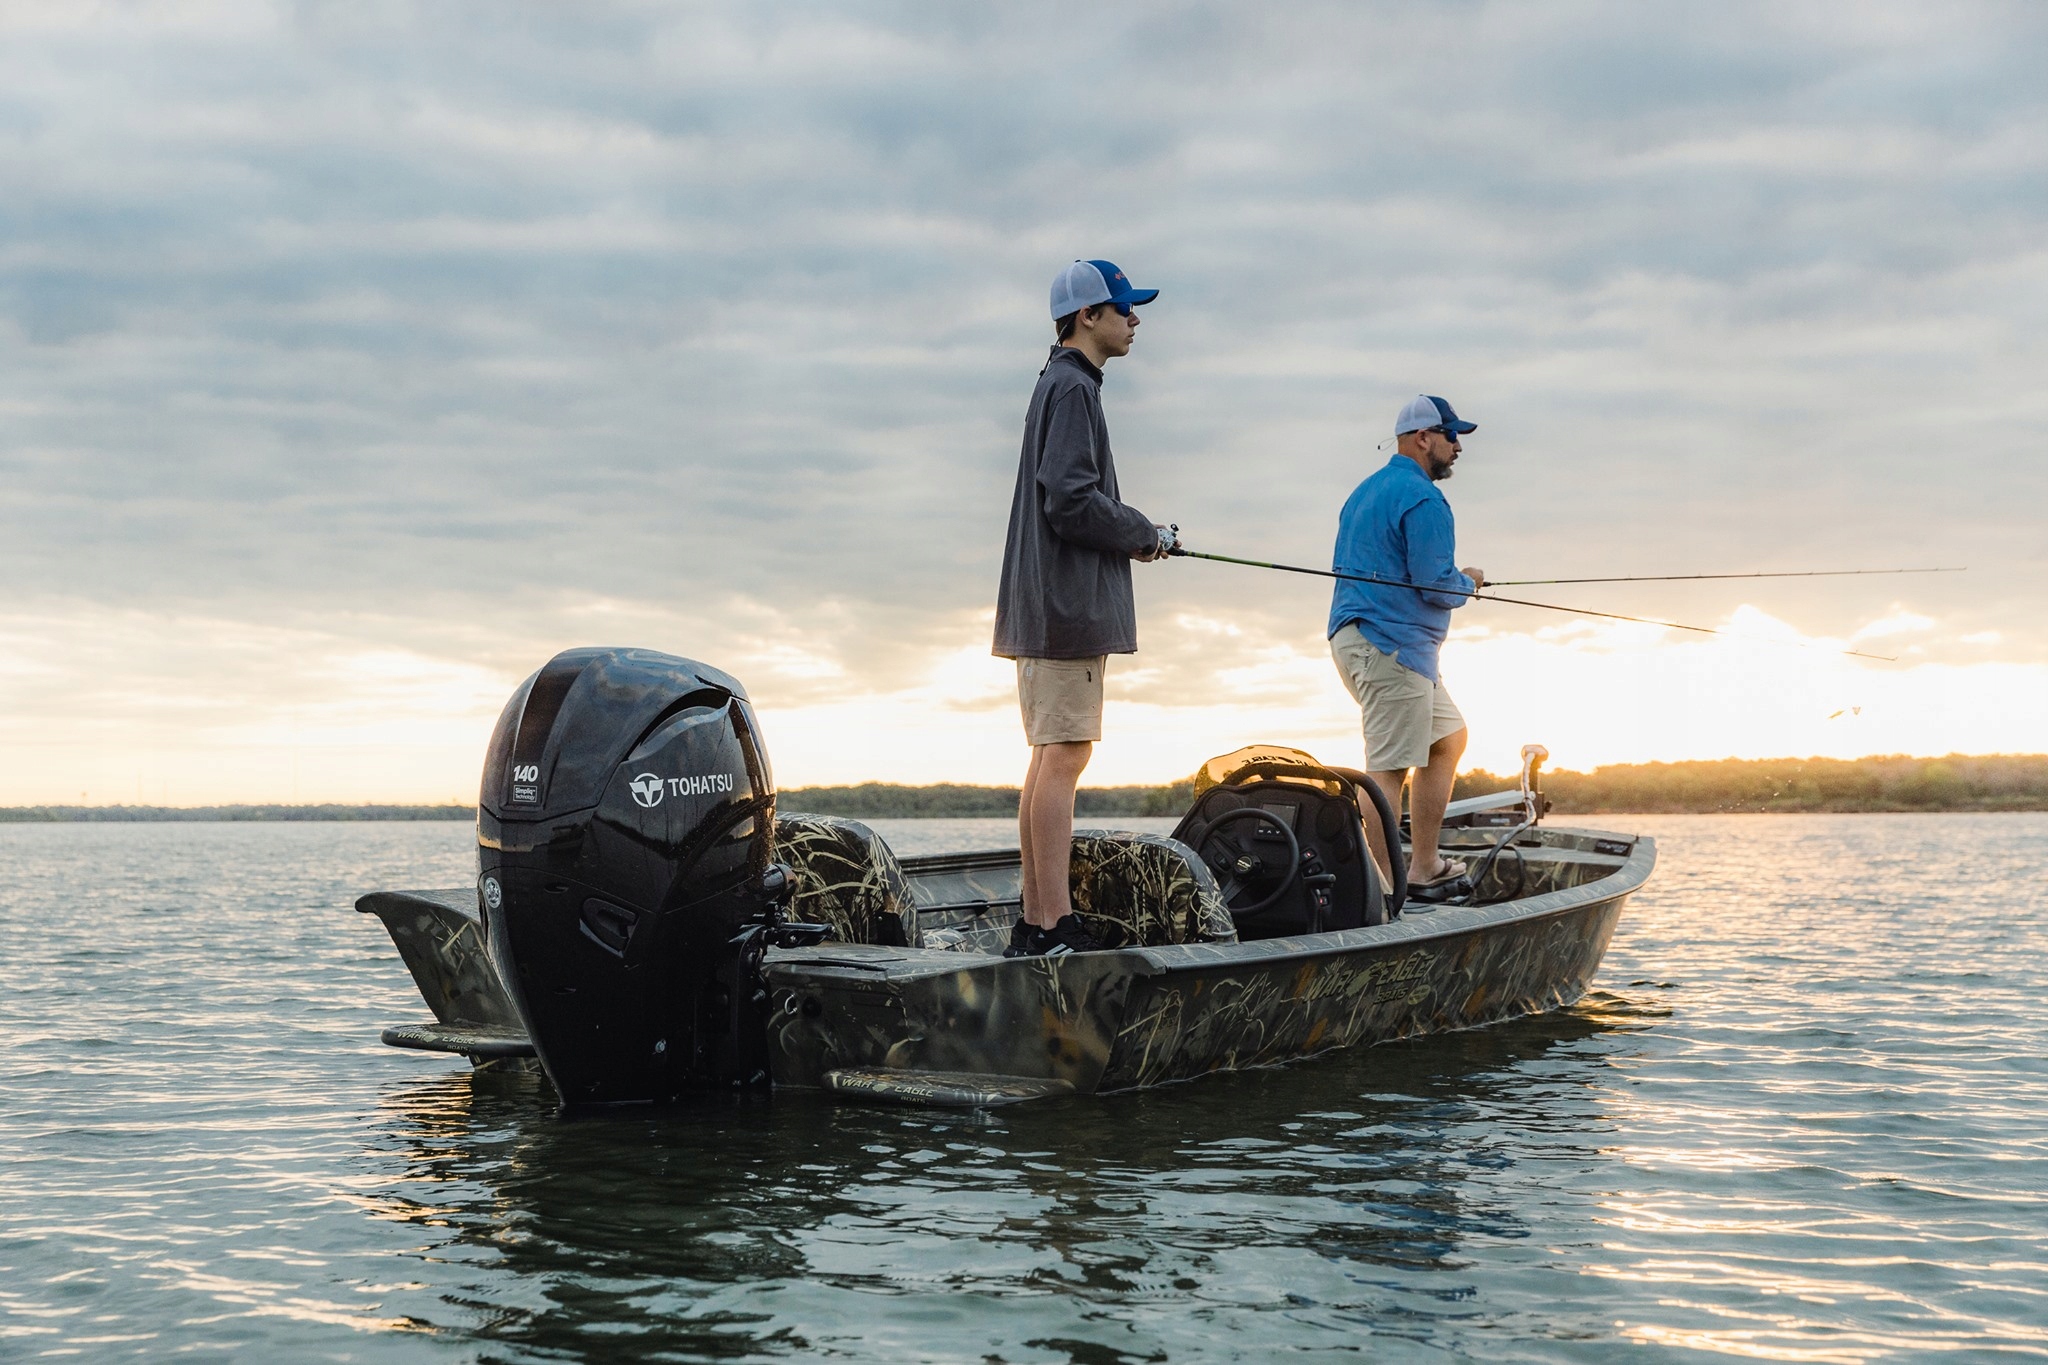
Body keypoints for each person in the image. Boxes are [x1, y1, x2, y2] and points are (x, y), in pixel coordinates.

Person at [992, 260, 1175, 956]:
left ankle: (1037, 921)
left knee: (1049, 758)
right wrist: (1144, 534)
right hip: (1064, 608)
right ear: (1087, 317)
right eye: (1124, 309)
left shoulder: (1058, 384)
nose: (1135, 320)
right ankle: (1053, 925)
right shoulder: (1072, 389)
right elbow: (1068, 500)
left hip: (1044, 607)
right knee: (1065, 756)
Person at [1327, 395, 1486, 891]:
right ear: (1424, 438)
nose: (1458, 446)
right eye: (1451, 435)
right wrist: (1469, 581)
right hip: (1391, 649)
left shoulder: (1365, 491)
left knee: (1448, 738)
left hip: (1368, 644)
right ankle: (1383, 894)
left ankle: (1422, 867)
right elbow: (1436, 586)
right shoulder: (1423, 497)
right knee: (1388, 772)